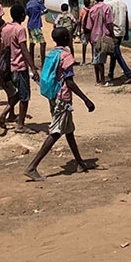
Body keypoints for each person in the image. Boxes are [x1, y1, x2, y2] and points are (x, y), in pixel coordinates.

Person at [24, 27, 96, 182]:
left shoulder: (52, 54)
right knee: (56, 131)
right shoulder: (66, 56)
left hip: (53, 95)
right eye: (69, 36)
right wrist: (86, 100)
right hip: (63, 97)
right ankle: (32, 166)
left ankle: (80, 162)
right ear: (65, 39)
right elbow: (69, 81)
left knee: (68, 130)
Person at [0, 5, 40, 134]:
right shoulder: (20, 29)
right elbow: (23, 49)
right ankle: (20, 125)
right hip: (19, 66)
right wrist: (33, 68)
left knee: (17, 94)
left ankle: (3, 115)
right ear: (22, 16)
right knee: (25, 97)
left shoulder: (5, 28)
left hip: (8, 67)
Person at [106, 0, 131, 85]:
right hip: (121, 31)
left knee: (117, 54)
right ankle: (110, 74)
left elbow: (108, 21)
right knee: (114, 54)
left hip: (113, 32)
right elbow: (126, 19)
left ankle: (128, 73)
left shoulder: (108, 5)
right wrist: (126, 33)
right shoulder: (123, 4)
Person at [86, 0, 115, 85]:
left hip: (94, 37)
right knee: (101, 60)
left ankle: (97, 79)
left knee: (95, 58)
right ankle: (103, 80)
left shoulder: (92, 9)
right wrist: (113, 35)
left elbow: (89, 26)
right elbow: (109, 23)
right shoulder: (106, 8)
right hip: (104, 36)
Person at [25, 0, 48, 66]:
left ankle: (32, 63)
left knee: (32, 44)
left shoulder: (28, 3)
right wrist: (39, 14)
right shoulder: (38, 1)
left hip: (29, 25)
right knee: (42, 43)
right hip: (36, 25)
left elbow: (27, 13)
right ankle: (43, 63)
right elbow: (45, 10)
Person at [79, 0, 91, 65]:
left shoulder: (82, 10)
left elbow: (79, 21)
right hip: (91, 30)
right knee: (93, 45)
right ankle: (93, 59)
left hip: (84, 30)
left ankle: (83, 60)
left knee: (84, 45)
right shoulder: (92, 10)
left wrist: (79, 30)